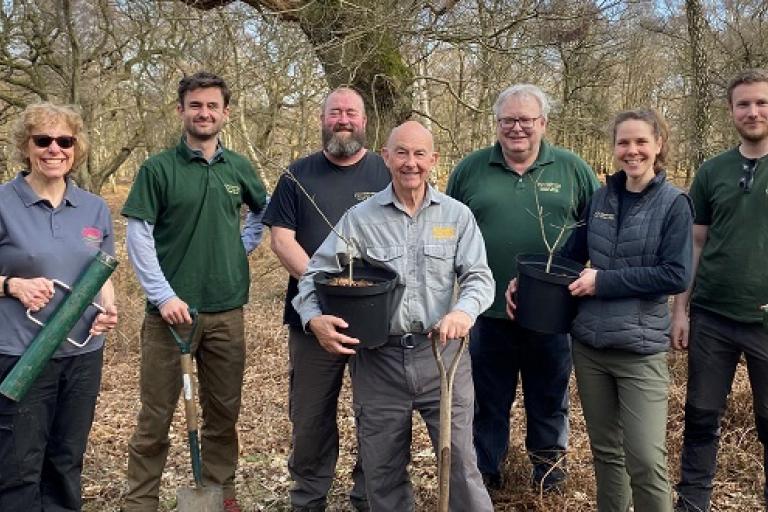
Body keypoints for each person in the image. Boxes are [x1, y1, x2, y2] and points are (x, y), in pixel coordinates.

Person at [293, 120, 495, 512]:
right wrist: (313, 318)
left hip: (443, 357)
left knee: (461, 467)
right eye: (401, 152)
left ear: (434, 160)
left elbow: (479, 278)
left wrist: (463, 311)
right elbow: (315, 276)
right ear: (385, 157)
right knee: (381, 471)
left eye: (420, 154)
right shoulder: (360, 218)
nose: (410, 163)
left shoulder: (456, 217)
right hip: (379, 361)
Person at [511, 109, 691, 511]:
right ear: (614, 148)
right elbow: (572, 260)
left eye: (641, 142)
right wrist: (527, 280)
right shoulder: (600, 199)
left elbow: (675, 274)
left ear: (658, 145)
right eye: (623, 142)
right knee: (607, 454)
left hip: (640, 351)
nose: (632, 151)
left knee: (645, 459)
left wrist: (603, 281)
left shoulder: (674, 203)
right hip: (591, 346)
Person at [121, 72, 267, 512]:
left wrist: (237, 249)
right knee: (155, 417)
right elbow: (138, 236)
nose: (204, 113)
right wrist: (163, 296)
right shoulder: (157, 169)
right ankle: (139, 501)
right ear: (181, 109)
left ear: (226, 113)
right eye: (195, 105)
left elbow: (263, 213)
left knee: (223, 414)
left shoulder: (239, 167)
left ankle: (220, 495)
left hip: (227, 311)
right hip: (169, 316)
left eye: (212, 106)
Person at [446, 83, 599, 492]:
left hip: (554, 315)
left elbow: (599, 230)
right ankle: (486, 478)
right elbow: (445, 232)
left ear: (543, 123)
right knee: (487, 402)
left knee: (548, 400)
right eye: (508, 120)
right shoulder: (470, 170)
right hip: (485, 312)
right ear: (496, 124)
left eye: (526, 120)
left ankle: (548, 477)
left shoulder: (572, 169)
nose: (517, 128)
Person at [262, 86, 390, 512]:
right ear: (322, 119)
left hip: (376, 318)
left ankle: (368, 496)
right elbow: (281, 240)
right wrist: (323, 286)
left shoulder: (386, 172)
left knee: (376, 416)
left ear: (365, 120)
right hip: (311, 317)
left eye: (351, 112)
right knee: (311, 416)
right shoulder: (298, 175)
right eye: (334, 112)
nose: (343, 119)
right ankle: (308, 499)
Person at [0, 103, 118, 511]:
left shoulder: (94, 208)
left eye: (64, 141)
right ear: (26, 146)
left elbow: (104, 274)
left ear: (76, 147)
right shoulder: (3, 202)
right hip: (20, 357)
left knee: (66, 462)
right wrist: (10, 284)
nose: (55, 149)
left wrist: (108, 309)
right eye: (43, 140)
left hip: (82, 357)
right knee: (18, 468)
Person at [672, 68, 768, 512]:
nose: (753, 111)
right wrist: (680, 312)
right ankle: (693, 502)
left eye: (761, 102)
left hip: (765, 321)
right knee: (701, 415)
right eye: (744, 104)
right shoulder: (712, 171)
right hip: (711, 316)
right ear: (731, 111)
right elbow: (695, 243)